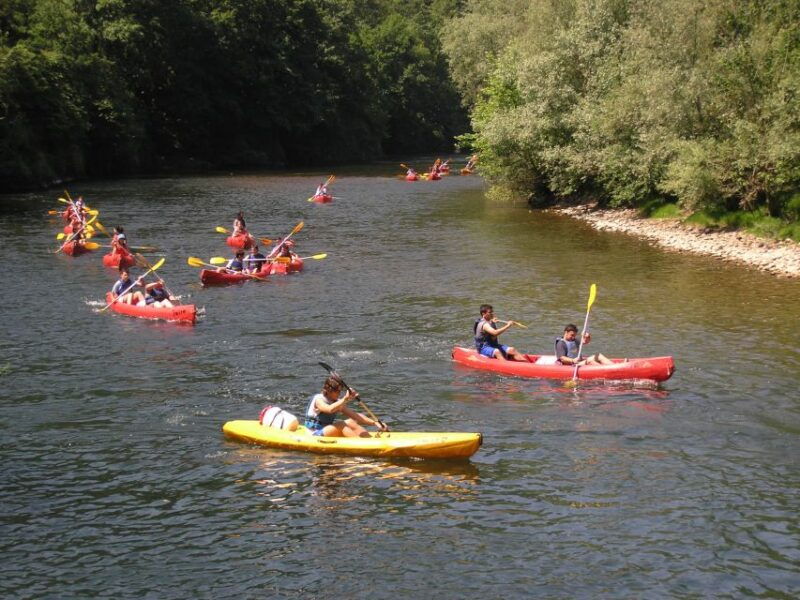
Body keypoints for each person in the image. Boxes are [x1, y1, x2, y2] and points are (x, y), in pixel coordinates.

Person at [304, 376, 387, 438]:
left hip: (326, 431)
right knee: (341, 425)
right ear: (328, 390)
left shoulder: (337, 402)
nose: (339, 393)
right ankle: (360, 445)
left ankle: (368, 439)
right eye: (337, 391)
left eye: (340, 390)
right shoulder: (318, 399)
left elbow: (356, 416)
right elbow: (329, 409)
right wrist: (345, 399)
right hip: (314, 434)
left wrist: (375, 422)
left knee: (351, 422)